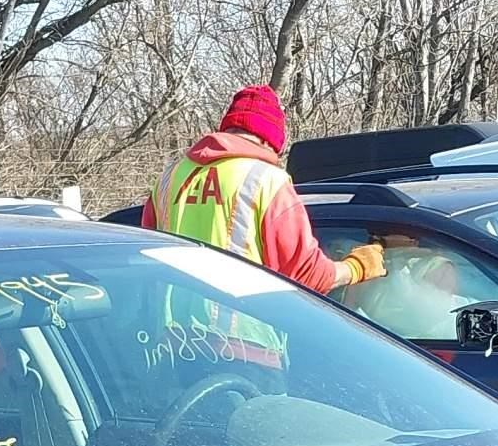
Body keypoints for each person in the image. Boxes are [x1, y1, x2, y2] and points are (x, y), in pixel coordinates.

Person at [143, 85, 385, 293]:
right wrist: (357, 267)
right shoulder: (266, 180)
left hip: (174, 334)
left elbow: (144, 254)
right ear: (269, 140)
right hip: (241, 335)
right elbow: (306, 274)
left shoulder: (171, 176)